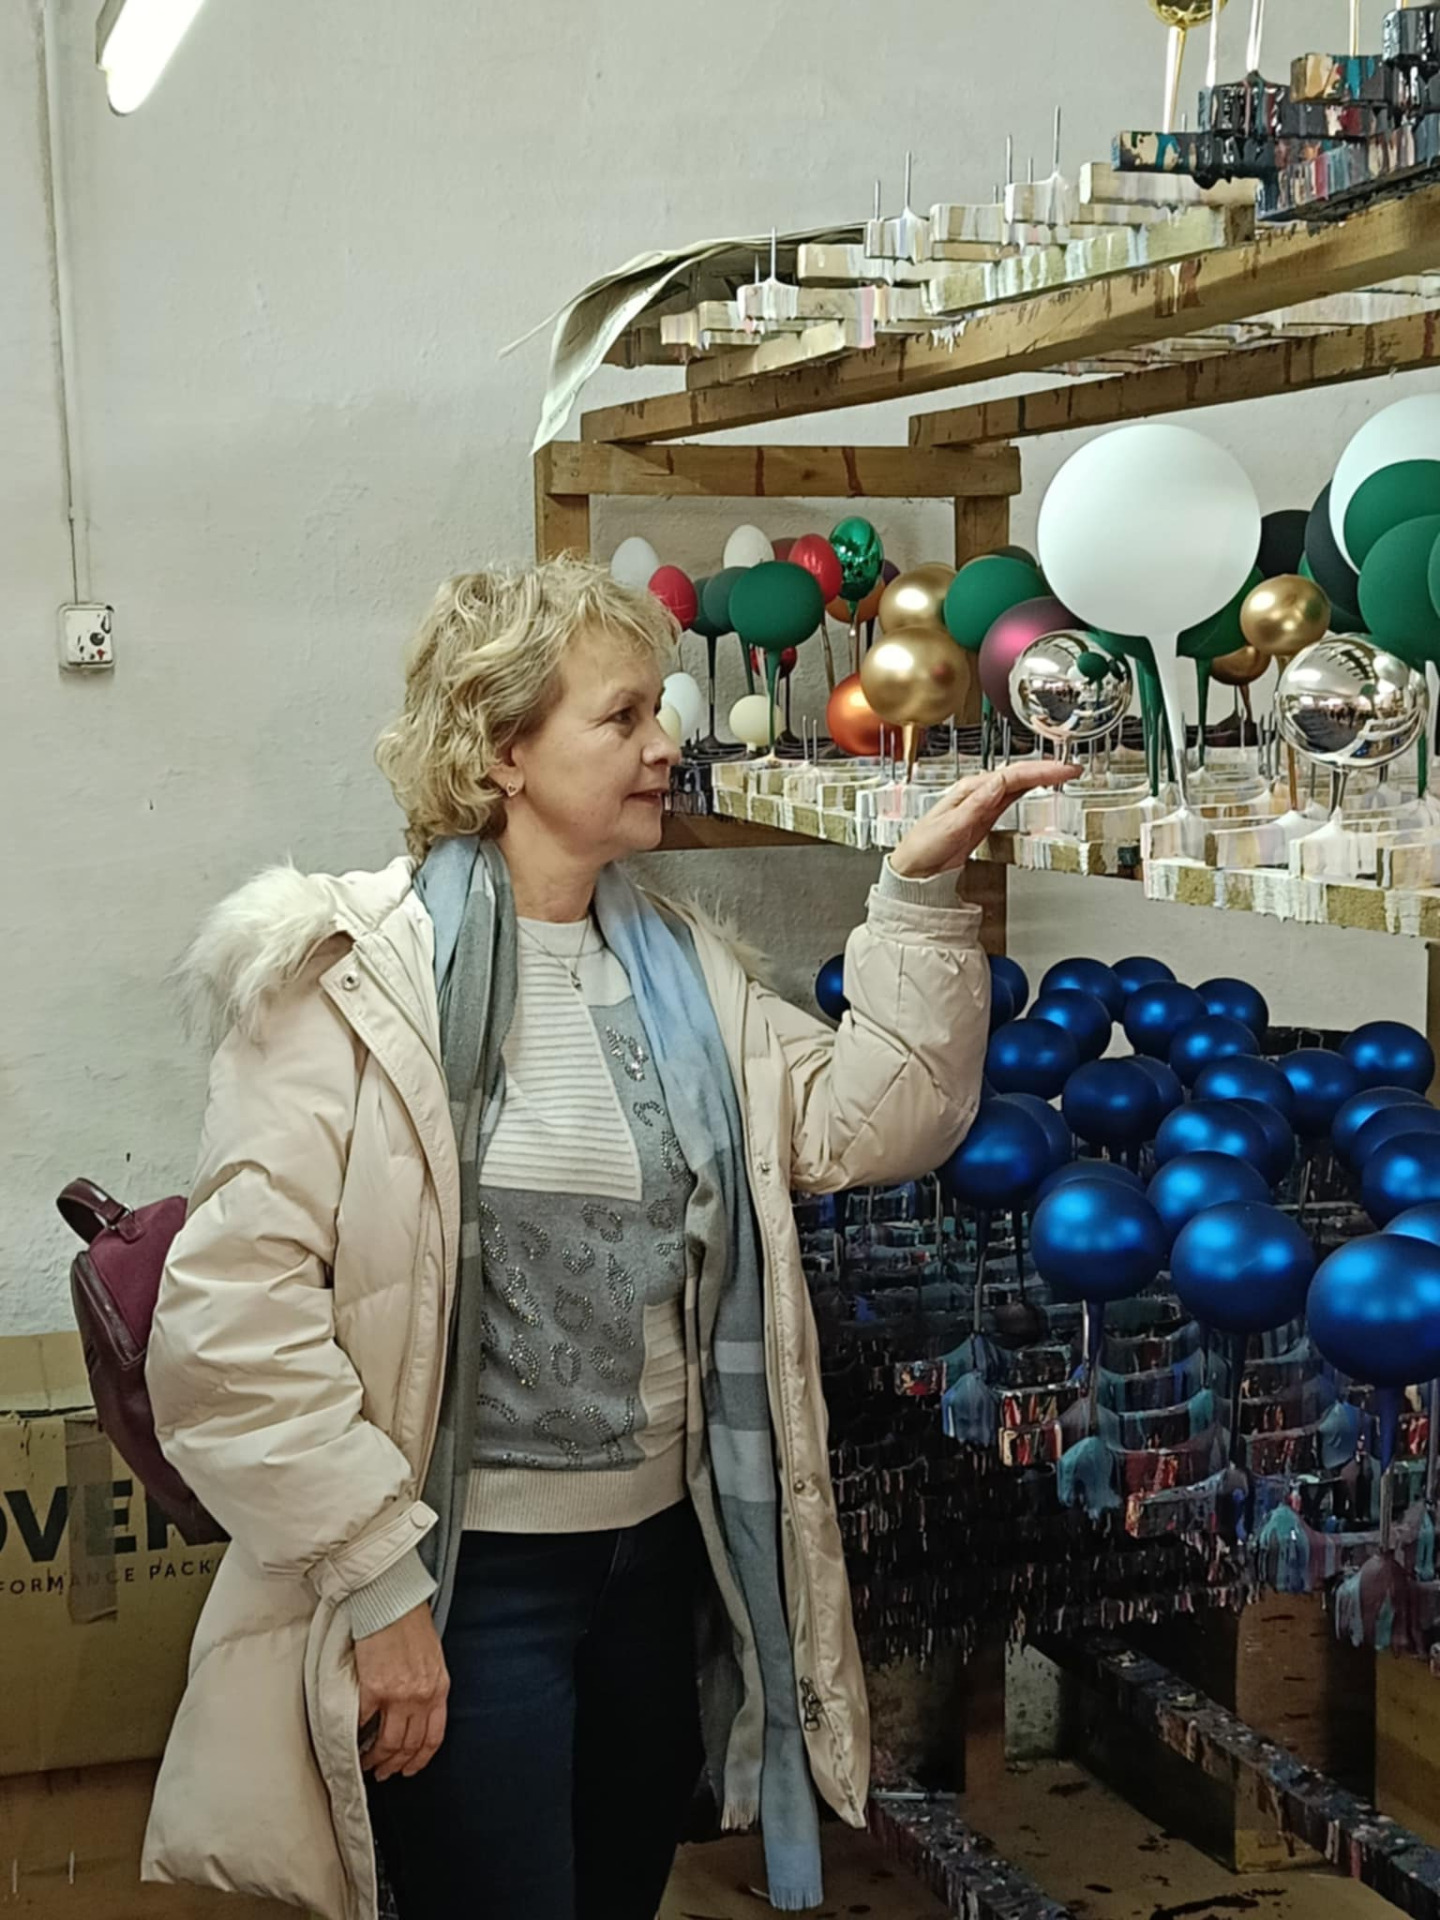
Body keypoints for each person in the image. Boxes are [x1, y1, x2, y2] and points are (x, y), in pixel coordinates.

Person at [140, 557, 1075, 1920]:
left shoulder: (682, 973)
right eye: (623, 715)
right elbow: (233, 1331)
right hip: (465, 1579)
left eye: (661, 709)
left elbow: (873, 1124)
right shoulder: (342, 984)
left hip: (656, 1561)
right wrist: (382, 1591)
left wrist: (920, 893)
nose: (664, 743)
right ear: (503, 750)